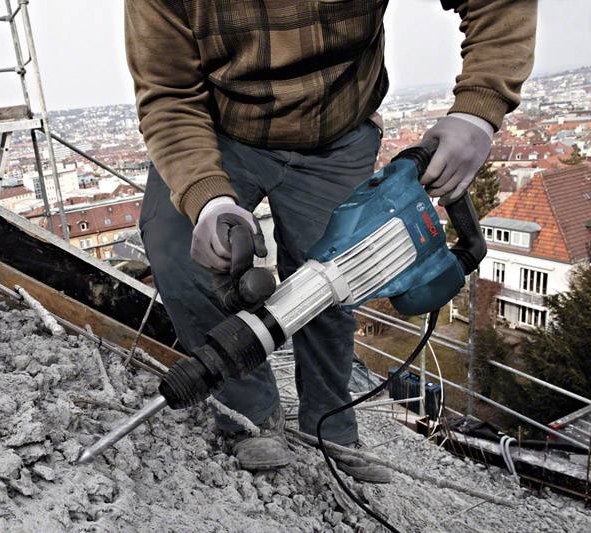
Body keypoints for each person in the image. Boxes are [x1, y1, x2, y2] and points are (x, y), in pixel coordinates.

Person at [125, 0, 536, 482]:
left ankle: (330, 426)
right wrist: (209, 201)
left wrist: (478, 111)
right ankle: (250, 417)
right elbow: (169, 93)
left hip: (337, 134)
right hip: (221, 131)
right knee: (181, 253)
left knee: (335, 282)